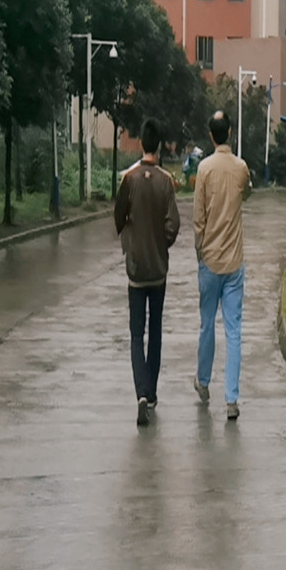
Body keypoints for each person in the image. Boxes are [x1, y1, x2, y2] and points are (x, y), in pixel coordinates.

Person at [114, 118, 180, 427]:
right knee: (155, 331)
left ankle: (140, 392)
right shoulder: (166, 181)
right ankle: (151, 393)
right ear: (160, 145)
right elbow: (173, 224)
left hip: (136, 269)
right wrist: (161, 243)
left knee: (136, 334)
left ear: (141, 143)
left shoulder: (129, 179)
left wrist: (131, 238)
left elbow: (118, 218)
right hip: (158, 269)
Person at [192, 110, 252, 420]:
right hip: (234, 261)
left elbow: (198, 218)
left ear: (211, 136)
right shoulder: (241, 168)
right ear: (229, 133)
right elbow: (247, 193)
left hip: (210, 260)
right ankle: (231, 399)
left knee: (207, 325)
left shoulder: (204, 169)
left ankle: (203, 382)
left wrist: (199, 252)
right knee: (234, 330)